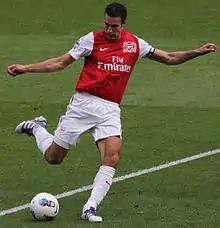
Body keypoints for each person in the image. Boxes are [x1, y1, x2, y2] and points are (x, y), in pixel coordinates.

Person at [7, 2, 216, 223]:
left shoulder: (135, 44)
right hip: (83, 104)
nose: (109, 30)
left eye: (114, 26)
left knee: (112, 157)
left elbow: (169, 58)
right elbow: (60, 62)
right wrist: (26, 68)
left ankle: (90, 207)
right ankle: (37, 127)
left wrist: (198, 52)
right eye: (106, 24)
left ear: (123, 23)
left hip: (110, 109)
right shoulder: (92, 39)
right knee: (53, 157)